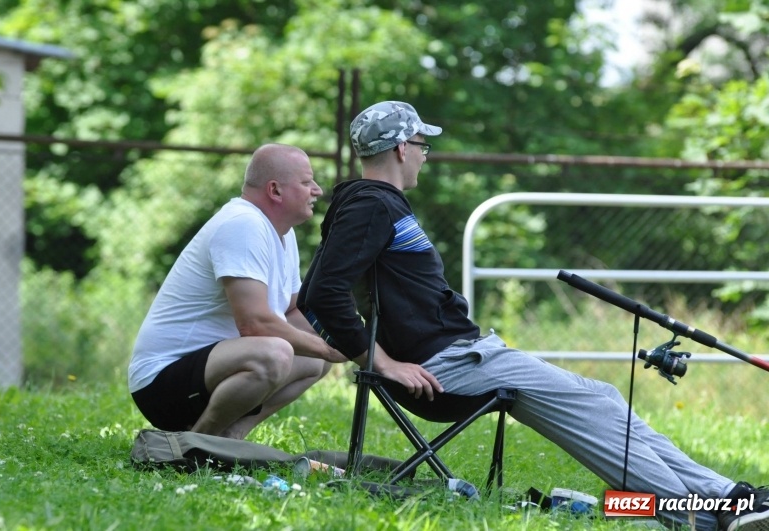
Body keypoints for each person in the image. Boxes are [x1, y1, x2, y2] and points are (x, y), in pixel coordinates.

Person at [298, 101, 768, 531]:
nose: (425, 155)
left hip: (462, 355)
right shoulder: (370, 204)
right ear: (402, 148)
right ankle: (707, 518)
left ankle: (727, 499)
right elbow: (322, 292)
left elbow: (316, 291)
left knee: (602, 396)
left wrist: (369, 354)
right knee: (595, 405)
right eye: (423, 146)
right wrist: (380, 363)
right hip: (448, 364)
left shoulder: (368, 204)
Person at [129, 143, 347, 440]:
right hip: (160, 384)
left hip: (210, 372)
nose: (318, 190)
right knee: (277, 353)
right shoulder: (243, 224)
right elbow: (254, 324)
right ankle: (196, 445)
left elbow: (294, 309)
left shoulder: (282, 232)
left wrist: (348, 339)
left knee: (312, 360)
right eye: (307, 182)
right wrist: (329, 348)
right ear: (275, 191)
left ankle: (231, 438)